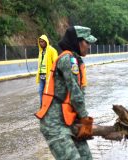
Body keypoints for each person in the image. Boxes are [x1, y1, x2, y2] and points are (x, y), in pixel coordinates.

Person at [35, 25, 97, 160]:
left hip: (68, 121)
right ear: (77, 41)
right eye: (87, 42)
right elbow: (75, 93)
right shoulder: (68, 59)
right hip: (54, 124)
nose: (89, 46)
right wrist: (85, 118)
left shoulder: (75, 59)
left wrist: (80, 119)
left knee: (87, 157)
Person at [36, 35, 58, 105]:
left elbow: (56, 63)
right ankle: (42, 107)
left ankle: (49, 107)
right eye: (40, 42)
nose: (41, 43)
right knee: (40, 92)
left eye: (42, 41)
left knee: (49, 93)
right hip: (42, 76)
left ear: (46, 42)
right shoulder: (41, 52)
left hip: (49, 76)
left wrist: (54, 75)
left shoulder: (52, 50)